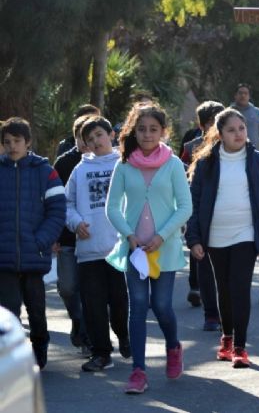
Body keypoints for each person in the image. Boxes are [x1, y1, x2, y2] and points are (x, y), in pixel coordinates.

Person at [105, 104, 193, 394]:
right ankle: (138, 371)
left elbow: (185, 207)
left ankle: (173, 346)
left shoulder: (173, 164)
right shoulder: (123, 164)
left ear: (163, 132)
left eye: (153, 129)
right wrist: (129, 236)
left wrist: (162, 236)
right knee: (139, 304)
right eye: (141, 129)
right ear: (133, 131)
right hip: (135, 251)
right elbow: (112, 207)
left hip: (163, 249)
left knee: (162, 305)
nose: (147, 134)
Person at [186, 108, 259, 368]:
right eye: (231, 130)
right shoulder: (205, 163)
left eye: (242, 128)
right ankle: (226, 338)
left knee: (239, 287)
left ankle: (240, 346)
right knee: (224, 289)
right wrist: (194, 239)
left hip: (246, 234)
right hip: (215, 236)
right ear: (219, 134)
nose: (238, 134)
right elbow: (193, 203)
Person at [65, 116, 131, 372]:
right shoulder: (80, 170)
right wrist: (75, 223)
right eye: (89, 139)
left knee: (120, 302)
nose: (95, 141)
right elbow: (67, 204)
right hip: (89, 251)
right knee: (93, 307)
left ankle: (124, 335)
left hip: (119, 247)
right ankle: (101, 353)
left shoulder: (124, 163)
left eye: (99, 135)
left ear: (111, 135)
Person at [0, 117, 66, 369]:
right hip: (4, 256)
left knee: (36, 310)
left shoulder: (45, 171)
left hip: (34, 255)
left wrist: (41, 241)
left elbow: (57, 211)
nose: (12, 146)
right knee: (9, 311)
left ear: (28, 142)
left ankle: (40, 345)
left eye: (17, 141)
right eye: (7, 142)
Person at [54, 112, 99, 354]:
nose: (87, 142)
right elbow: (54, 201)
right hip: (67, 239)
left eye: (91, 137)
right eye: (82, 137)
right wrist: (54, 236)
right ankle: (77, 320)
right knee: (68, 287)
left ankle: (87, 336)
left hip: (95, 239)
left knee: (91, 291)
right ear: (76, 138)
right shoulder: (63, 163)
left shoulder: (105, 162)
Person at [180, 101, 223, 324]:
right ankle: (199, 292)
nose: (216, 126)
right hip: (197, 206)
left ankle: (226, 312)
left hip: (226, 213)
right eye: (212, 122)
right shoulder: (191, 147)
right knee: (199, 252)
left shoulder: (236, 146)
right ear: (202, 125)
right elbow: (181, 173)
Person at [231, 83, 259, 154]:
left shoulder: (258, 113)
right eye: (240, 93)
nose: (243, 95)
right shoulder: (228, 113)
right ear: (235, 95)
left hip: (254, 155)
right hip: (233, 154)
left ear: (249, 96)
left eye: (246, 93)